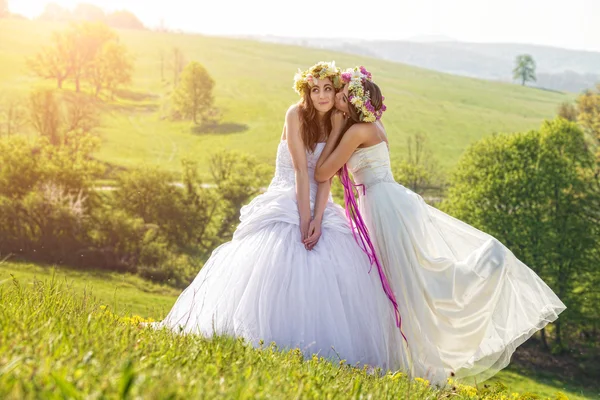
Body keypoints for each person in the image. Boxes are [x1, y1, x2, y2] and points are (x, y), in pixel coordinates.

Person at [313, 66, 566, 384]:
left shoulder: (356, 131)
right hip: (386, 202)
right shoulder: (371, 125)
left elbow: (323, 172)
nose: (334, 95)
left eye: (341, 92)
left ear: (352, 101)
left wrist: (335, 128)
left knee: (406, 282)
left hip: (383, 206)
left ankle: (477, 277)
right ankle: (401, 355)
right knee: (403, 280)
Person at [154, 62, 406, 371]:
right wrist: (304, 219)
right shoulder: (295, 115)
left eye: (329, 89)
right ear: (306, 92)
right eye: (316, 90)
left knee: (339, 254)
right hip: (289, 192)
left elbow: (326, 176)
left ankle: (323, 347)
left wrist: (319, 217)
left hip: (318, 199)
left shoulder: (338, 121)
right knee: (281, 252)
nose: (323, 96)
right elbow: (303, 171)